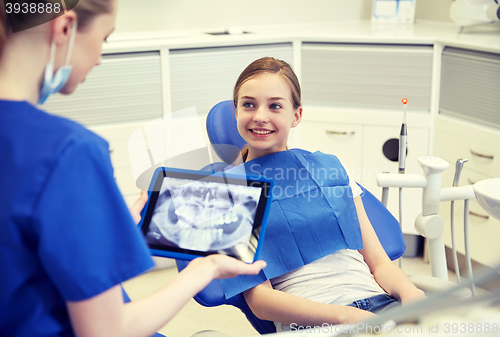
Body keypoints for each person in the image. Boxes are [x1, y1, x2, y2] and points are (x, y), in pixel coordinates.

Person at [0, 1, 265, 336]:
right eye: (104, 38)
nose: (98, 57)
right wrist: (205, 268)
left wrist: (95, 230)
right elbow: (105, 331)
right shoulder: (68, 151)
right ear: (63, 28)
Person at [217, 57, 427, 332]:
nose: (259, 116)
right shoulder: (229, 194)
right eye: (249, 104)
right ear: (236, 112)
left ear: (296, 115)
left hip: (380, 308)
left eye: (275, 105)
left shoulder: (329, 169)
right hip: (313, 325)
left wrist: (413, 297)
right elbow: (259, 300)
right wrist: (343, 316)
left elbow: (378, 262)